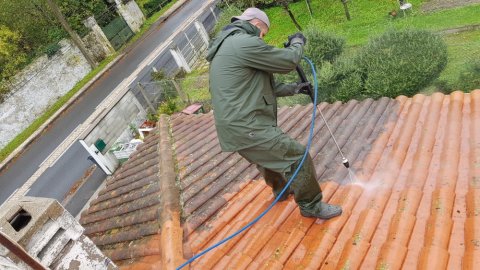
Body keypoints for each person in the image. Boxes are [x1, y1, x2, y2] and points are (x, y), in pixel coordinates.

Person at [206, 8, 342, 219]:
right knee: (297, 156)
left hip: (234, 128)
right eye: (264, 33)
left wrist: (296, 88)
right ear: (257, 24)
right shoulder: (243, 42)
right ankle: (311, 206)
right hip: (248, 125)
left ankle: (281, 191)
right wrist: (298, 43)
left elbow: (261, 87)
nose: (263, 38)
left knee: (267, 157)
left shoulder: (228, 46)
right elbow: (288, 61)